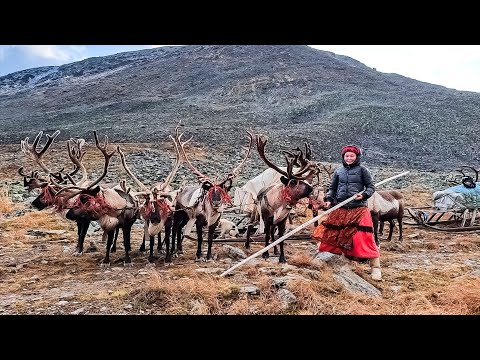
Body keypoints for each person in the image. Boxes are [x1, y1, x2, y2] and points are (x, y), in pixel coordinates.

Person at [312, 144, 381, 280]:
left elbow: (371, 187)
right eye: (346, 156)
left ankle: (376, 268)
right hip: (341, 209)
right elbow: (332, 188)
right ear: (343, 157)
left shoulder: (363, 170)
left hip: (358, 209)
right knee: (336, 235)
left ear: (357, 157)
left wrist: (364, 195)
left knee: (363, 238)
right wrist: (329, 199)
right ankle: (344, 263)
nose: (349, 158)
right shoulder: (339, 171)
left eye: (352, 156)